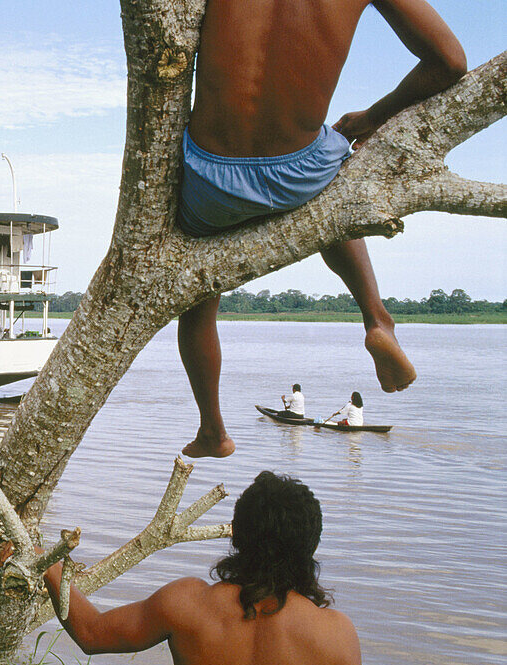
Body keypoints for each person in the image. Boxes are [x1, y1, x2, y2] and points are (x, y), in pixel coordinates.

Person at [176, 0, 466, 458]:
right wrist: (373, 116)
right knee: (338, 192)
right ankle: (375, 317)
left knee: (196, 300)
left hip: (211, 178)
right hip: (301, 170)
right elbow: (450, 62)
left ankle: (213, 428)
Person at [41, 471, 366, 665]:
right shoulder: (335, 635)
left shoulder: (187, 604)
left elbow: (91, 633)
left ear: (236, 534)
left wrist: (44, 562)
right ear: (310, 546)